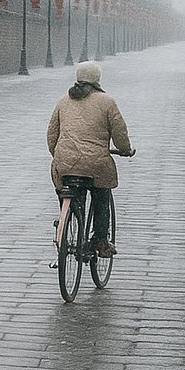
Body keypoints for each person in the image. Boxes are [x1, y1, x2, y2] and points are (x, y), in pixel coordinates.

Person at [46, 61, 135, 258]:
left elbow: (52, 135)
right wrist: (126, 150)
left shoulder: (63, 101)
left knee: (68, 191)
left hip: (65, 162)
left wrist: (60, 155)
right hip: (96, 164)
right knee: (101, 194)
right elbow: (119, 133)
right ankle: (100, 241)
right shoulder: (107, 102)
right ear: (97, 80)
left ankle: (67, 218)